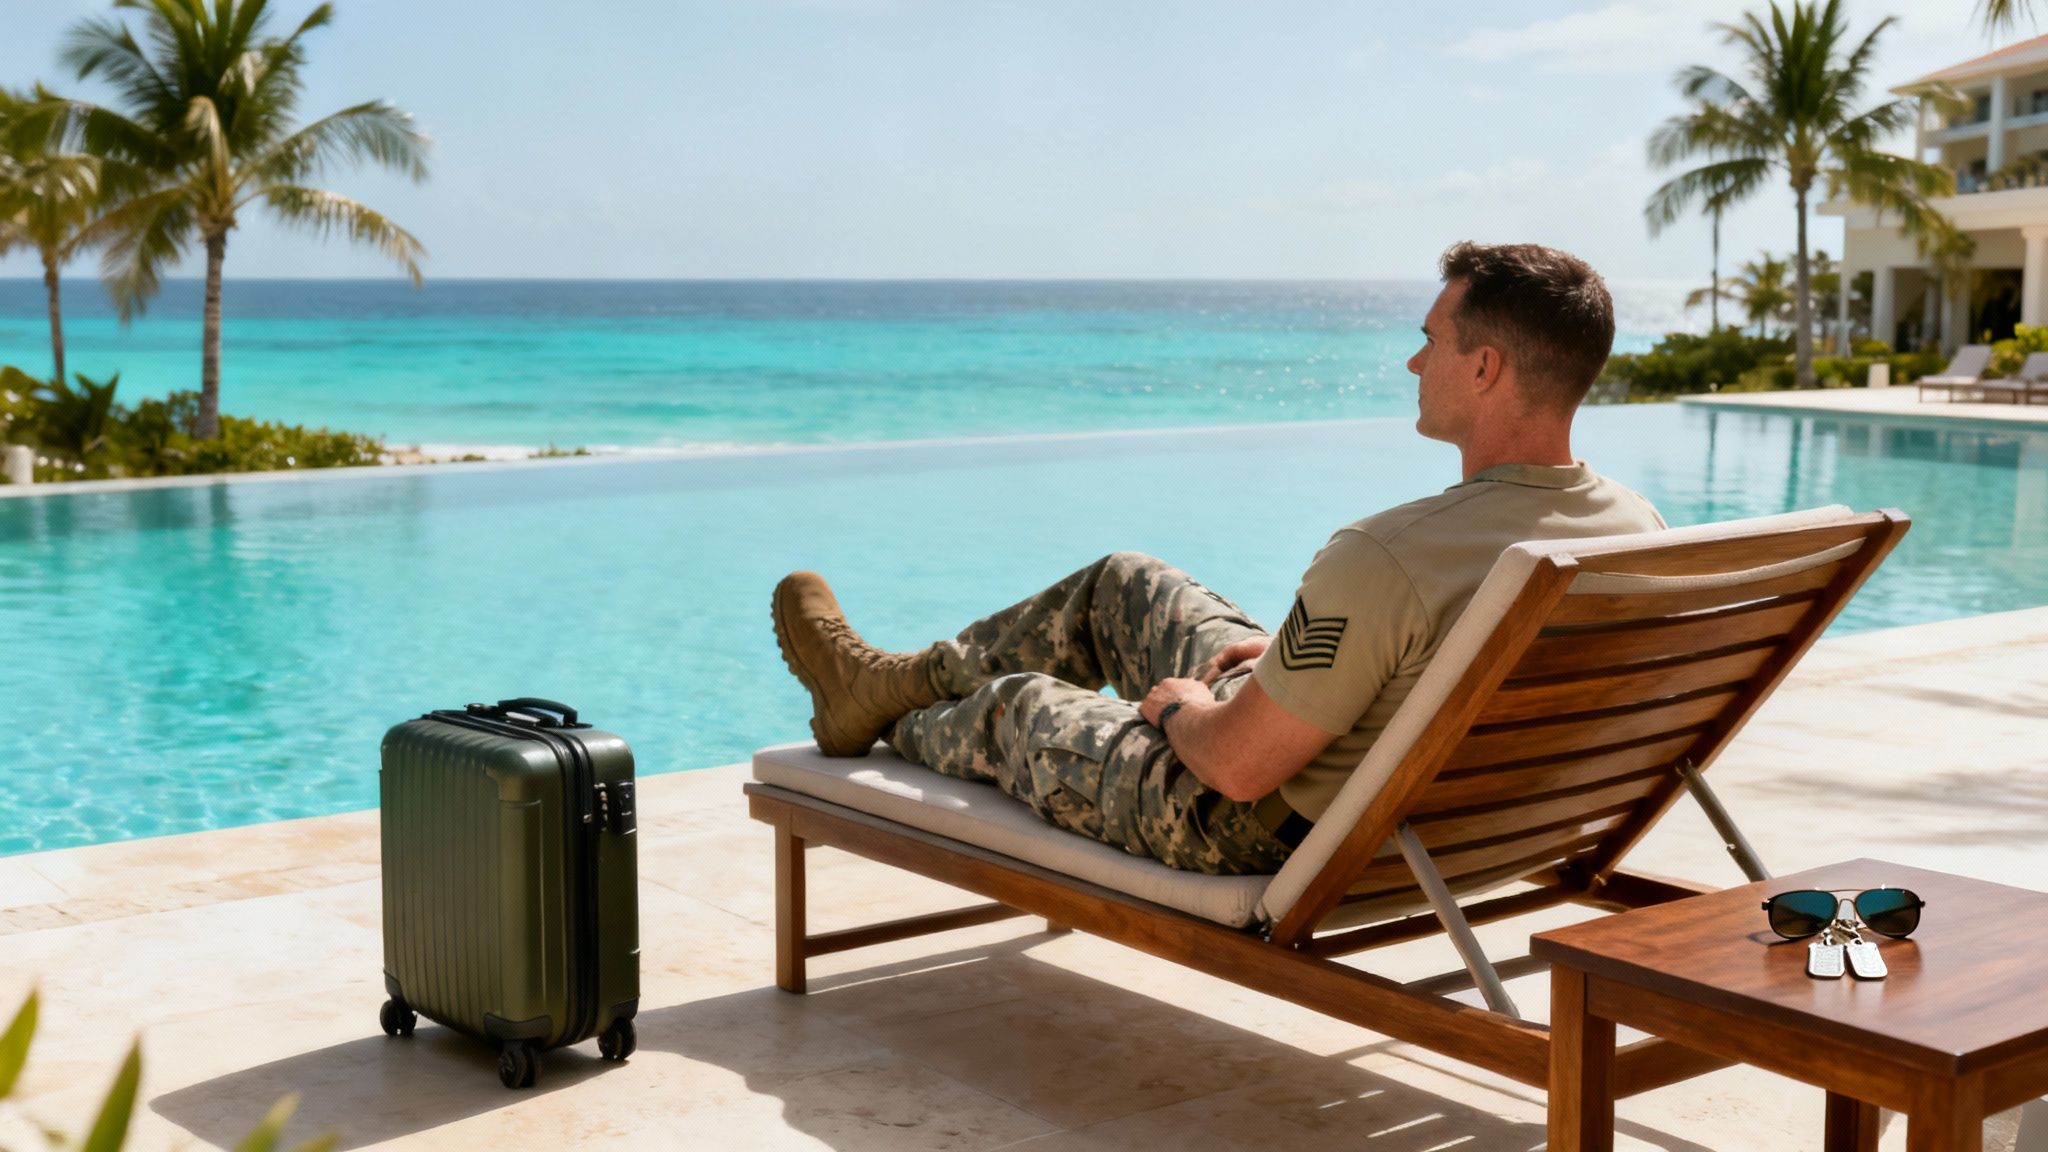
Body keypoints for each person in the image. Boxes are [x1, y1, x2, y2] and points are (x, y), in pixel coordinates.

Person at [771, 241, 1666, 876]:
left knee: (1019, 706)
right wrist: (1309, 656)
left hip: (1251, 820)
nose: (1410, 360)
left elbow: (1238, 769)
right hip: (1464, 813)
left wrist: (1181, 711)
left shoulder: (1386, 557)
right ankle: (887, 680)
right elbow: (1438, 660)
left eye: (1431, 339)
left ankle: (882, 713)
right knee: (1122, 581)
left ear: (1485, 368)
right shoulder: (1637, 528)